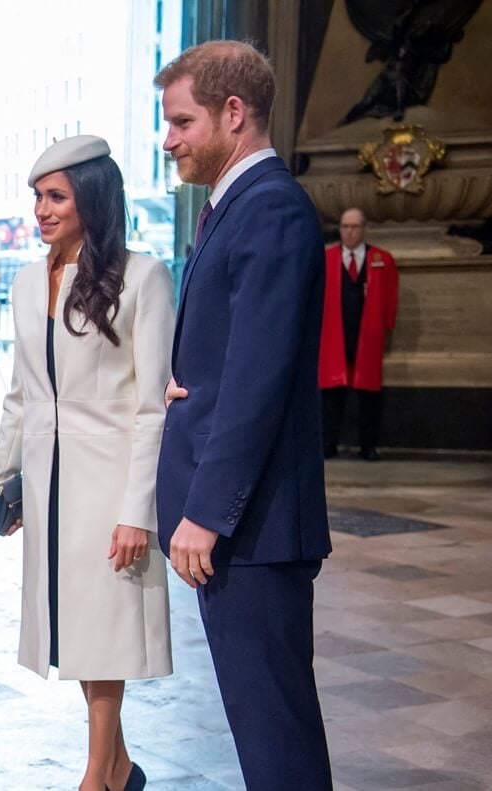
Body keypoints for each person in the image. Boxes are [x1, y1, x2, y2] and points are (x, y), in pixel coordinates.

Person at [154, 41, 333, 789]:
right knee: (261, 722)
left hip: (254, 527)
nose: (170, 140)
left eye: (181, 120)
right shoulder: (237, 208)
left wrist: (207, 512)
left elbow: (258, 382)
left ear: (234, 113)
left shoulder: (271, 209)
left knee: (274, 728)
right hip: (246, 525)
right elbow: (233, 357)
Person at [0, 135, 174, 791]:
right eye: (37, 196)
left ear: (91, 197)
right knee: (76, 631)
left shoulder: (143, 276)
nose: (42, 208)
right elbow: (20, 391)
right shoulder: (25, 279)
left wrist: (136, 511)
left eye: (55, 195)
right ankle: (119, 767)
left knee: (105, 632)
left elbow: (153, 406)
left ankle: (96, 776)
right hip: (47, 485)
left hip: (109, 483)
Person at [319, 207, 399, 461]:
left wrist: (385, 328)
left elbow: (390, 298)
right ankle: (328, 444)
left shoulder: (382, 260)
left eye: (354, 227)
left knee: (368, 396)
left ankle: (368, 446)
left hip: (367, 336)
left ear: (364, 229)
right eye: (345, 226)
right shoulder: (327, 259)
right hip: (334, 336)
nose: (349, 232)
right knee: (331, 396)